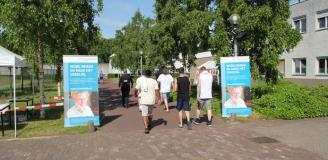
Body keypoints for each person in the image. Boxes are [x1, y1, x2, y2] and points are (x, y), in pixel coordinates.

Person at [134, 69, 160, 134]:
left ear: (144, 74)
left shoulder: (141, 81)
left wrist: (135, 94)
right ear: (150, 74)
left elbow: (136, 89)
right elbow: (157, 91)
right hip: (151, 100)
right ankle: (149, 123)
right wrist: (159, 99)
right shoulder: (154, 81)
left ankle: (146, 128)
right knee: (150, 113)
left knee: (144, 114)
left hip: (144, 100)